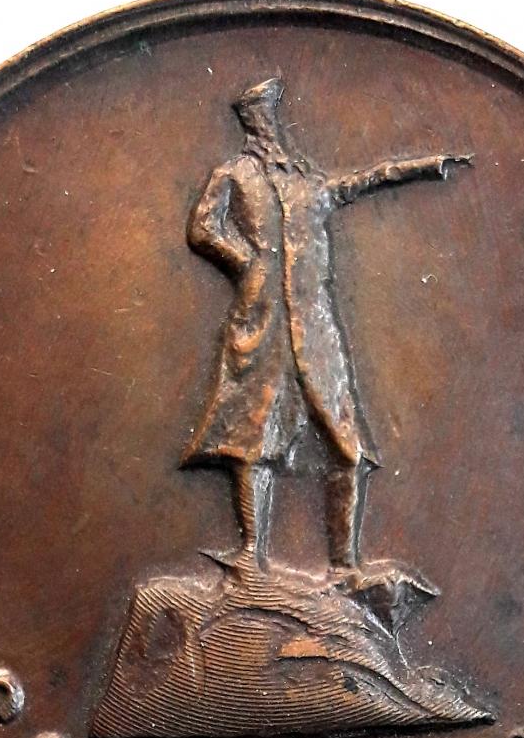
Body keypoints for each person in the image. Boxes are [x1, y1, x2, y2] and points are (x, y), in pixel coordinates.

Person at [185, 77, 470, 570]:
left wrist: (422, 167)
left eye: (270, 117)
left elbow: (359, 183)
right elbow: (203, 228)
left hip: (314, 328)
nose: (266, 127)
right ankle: (251, 554)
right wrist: (245, 260)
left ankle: (345, 565)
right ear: (249, 123)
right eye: (258, 117)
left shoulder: (304, 179)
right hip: (263, 321)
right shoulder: (234, 173)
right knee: (252, 436)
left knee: (346, 444)